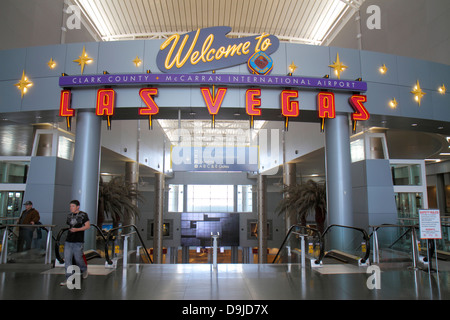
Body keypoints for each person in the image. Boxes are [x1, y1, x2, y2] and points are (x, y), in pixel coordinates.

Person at [60, 200, 90, 286]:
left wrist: (77, 230)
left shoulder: (83, 215)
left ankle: (84, 269)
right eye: (70, 206)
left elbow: (87, 226)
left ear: (77, 207)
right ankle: (68, 278)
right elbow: (70, 225)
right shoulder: (69, 216)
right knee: (67, 260)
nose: (71, 208)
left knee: (78, 258)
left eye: (73, 206)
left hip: (78, 240)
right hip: (69, 240)